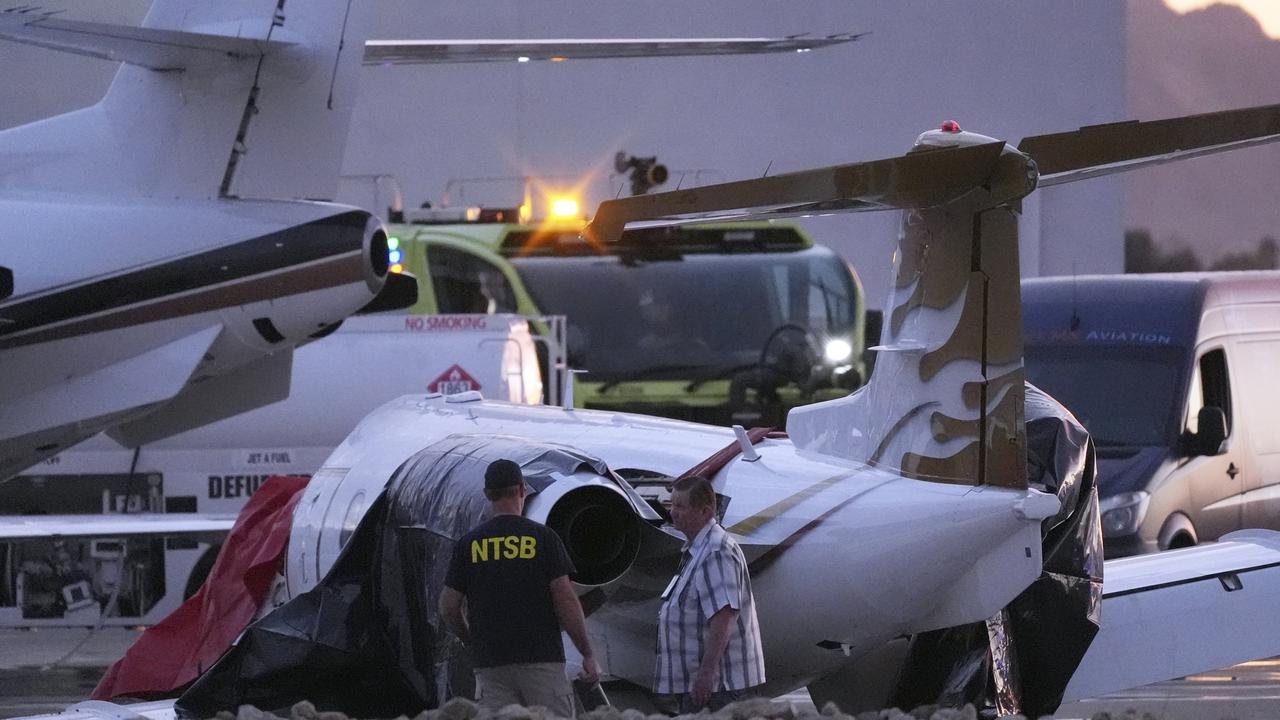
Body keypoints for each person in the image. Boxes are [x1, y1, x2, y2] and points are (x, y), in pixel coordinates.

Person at [439, 459, 601, 716]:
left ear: (487, 495)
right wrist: (587, 653)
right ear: (522, 490)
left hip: (491, 665)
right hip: (542, 662)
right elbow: (565, 601)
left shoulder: (469, 545)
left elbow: (448, 607)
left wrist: (471, 640)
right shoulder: (544, 539)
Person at [655, 475, 765, 712]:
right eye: (671, 504)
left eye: (680, 506)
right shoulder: (698, 549)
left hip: (719, 688)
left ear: (705, 512)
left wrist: (707, 673)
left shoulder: (716, 551)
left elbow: (724, 616)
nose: (673, 512)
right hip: (707, 686)